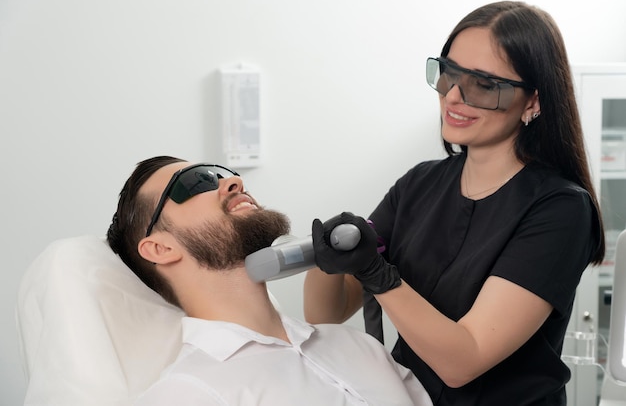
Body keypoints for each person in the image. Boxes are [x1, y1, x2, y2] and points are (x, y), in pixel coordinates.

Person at [303, 1, 605, 406]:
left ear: (533, 101)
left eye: (483, 84)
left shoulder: (560, 209)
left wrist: (379, 275)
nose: (455, 97)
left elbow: (464, 360)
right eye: (449, 74)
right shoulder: (419, 183)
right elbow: (326, 314)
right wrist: (329, 260)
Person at [106, 155, 432, 406]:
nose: (234, 180)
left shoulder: (357, 346)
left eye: (221, 172)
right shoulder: (186, 394)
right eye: (194, 182)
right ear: (161, 248)